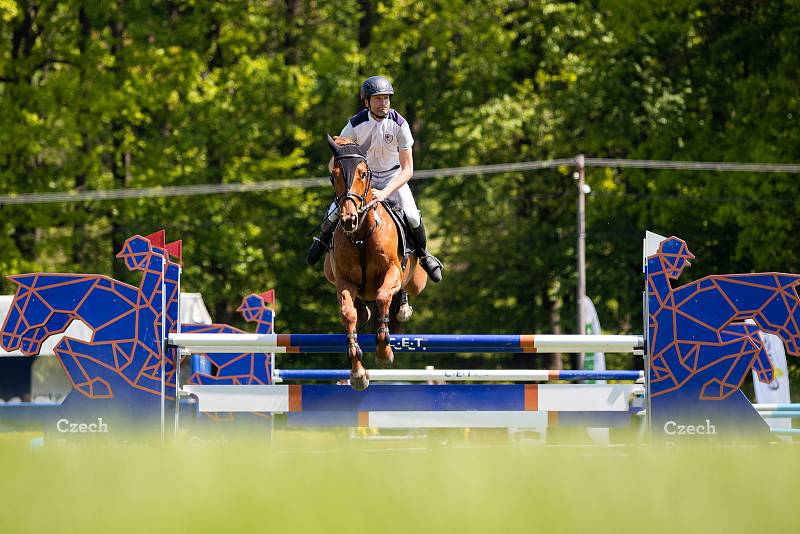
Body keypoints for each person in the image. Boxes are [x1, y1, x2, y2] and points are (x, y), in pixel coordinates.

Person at [307, 75, 443, 282]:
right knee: (334, 213)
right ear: (366, 102)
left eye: (386, 98)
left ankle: (424, 255)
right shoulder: (354, 125)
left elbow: (408, 170)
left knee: (413, 216)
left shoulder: (400, 124)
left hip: (393, 178)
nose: (384, 103)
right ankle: (323, 241)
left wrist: (385, 193)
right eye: (378, 99)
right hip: (363, 179)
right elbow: (333, 162)